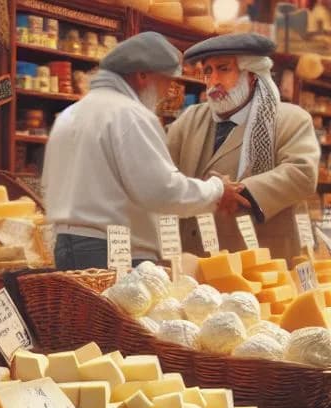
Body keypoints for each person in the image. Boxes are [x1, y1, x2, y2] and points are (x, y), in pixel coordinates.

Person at [43, 32, 249, 270]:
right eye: (166, 81)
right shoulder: (129, 114)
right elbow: (162, 190)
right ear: (142, 75)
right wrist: (217, 190)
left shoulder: (70, 114)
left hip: (66, 247)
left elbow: (49, 185)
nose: (167, 92)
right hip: (113, 252)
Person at [167, 33, 319, 259]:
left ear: (253, 75)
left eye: (223, 69)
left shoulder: (290, 119)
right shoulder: (190, 119)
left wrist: (242, 191)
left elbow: (302, 173)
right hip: (192, 257)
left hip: (260, 260)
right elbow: (161, 168)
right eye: (208, 71)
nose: (213, 80)